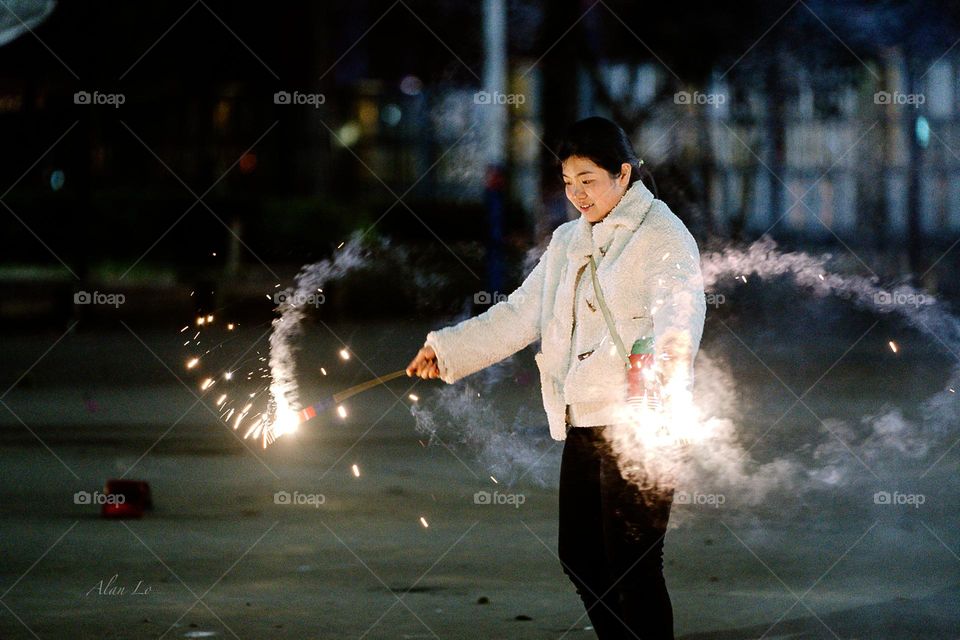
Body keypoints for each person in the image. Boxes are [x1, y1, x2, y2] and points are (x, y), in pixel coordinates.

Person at [406, 116, 706, 640]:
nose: (577, 195)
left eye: (588, 180)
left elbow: (680, 316)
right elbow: (522, 314)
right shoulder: (569, 241)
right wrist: (447, 349)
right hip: (586, 421)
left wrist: (663, 375)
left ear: (624, 174)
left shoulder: (663, 236)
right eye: (569, 183)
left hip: (643, 426)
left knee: (634, 564)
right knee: (582, 557)